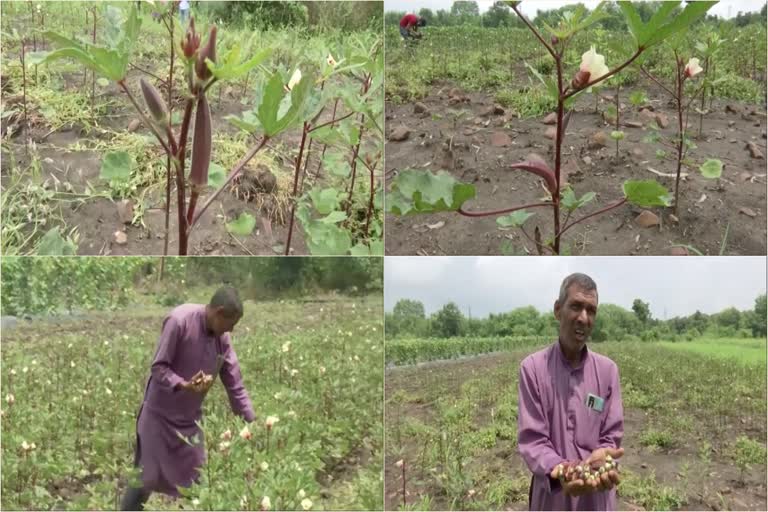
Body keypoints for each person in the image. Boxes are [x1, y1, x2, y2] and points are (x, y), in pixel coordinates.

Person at [120, 286, 256, 511]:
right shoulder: (179, 321)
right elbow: (158, 367)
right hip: (158, 418)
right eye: (230, 323)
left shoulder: (223, 339)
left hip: (189, 422)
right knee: (145, 479)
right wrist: (183, 384)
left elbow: (235, 383)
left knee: (198, 482)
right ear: (219, 312)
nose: (231, 329)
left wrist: (251, 422)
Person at [517, 273, 624, 511]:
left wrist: (601, 457)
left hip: (596, 495)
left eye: (591, 310)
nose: (584, 318)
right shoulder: (533, 369)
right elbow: (533, 440)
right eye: (575, 306)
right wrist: (564, 472)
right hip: (552, 496)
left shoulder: (607, 371)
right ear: (558, 310)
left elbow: (611, 434)